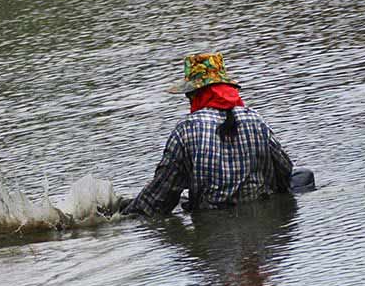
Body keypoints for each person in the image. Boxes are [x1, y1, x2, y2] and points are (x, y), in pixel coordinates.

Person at [123, 52, 292, 217]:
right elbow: (285, 170)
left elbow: (159, 197)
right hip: (261, 224)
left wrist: (125, 214)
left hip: (213, 222)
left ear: (193, 94)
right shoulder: (256, 119)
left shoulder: (186, 129)